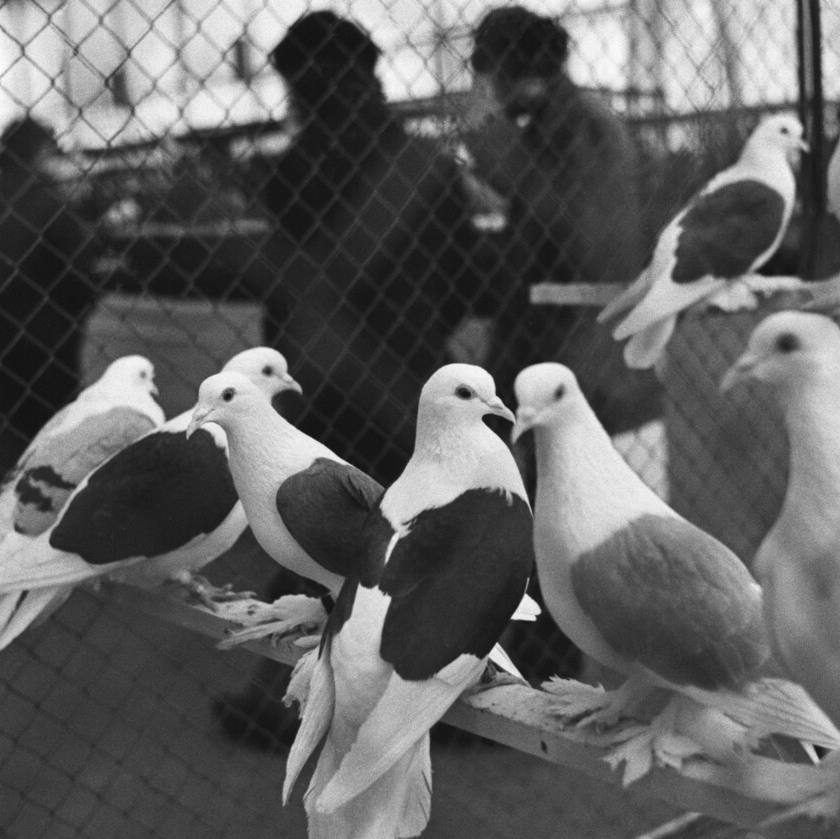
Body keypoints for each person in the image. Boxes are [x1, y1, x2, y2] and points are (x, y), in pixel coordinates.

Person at [216, 10, 490, 749]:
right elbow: (466, 277)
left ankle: (292, 698)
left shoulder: (299, 170)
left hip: (328, 383)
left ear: (308, 82)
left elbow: (283, 284)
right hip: (408, 376)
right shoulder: (424, 165)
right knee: (412, 536)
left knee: (319, 541)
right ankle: (443, 695)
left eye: (294, 83)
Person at [464, 5, 661, 434]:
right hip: (586, 352)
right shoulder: (562, 119)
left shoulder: (576, 124)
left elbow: (572, 229)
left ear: (501, 70)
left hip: (586, 360)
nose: (485, 91)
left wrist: (491, 144)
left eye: (488, 76)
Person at [0, 116, 103, 475]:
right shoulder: (45, 201)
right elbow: (80, 268)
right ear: (37, 151)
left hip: (2, 327)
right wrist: (82, 305)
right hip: (53, 330)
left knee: (13, 413)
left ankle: (11, 489)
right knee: (56, 420)